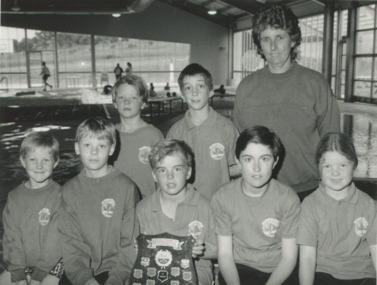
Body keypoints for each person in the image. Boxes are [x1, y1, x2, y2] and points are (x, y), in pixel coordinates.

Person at [232, 4, 340, 197]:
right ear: (259, 44)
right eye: (266, 39)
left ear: (292, 40)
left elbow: (332, 140)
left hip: (308, 191)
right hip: (259, 191)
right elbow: (239, 144)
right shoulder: (246, 88)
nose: (273, 47)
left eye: (279, 37)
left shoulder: (315, 84)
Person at [211, 126, 300, 285]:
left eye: (264, 159)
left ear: (275, 161)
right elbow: (225, 255)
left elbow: (289, 258)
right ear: (237, 161)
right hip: (239, 268)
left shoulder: (288, 199)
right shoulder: (222, 198)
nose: (257, 168)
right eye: (248, 159)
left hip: (278, 270)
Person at [58, 117, 139, 285]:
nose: (94, 152)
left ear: (111, 149)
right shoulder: (69, 191)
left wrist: (116, 279)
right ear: (77, 148)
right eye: (87, 145)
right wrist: (85, 279)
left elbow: (130, 243)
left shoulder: (126, 187)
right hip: (81, 272)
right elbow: (71, 244)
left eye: (101, 146)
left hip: (119, 271)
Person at [297, 132, 377, 285]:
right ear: (318, 168)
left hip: (362, 276)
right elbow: (307, 258)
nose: (335, 172)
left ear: (354, 165)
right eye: (327, 166)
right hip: (324, 274)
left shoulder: (368, 205)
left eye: (342, 165)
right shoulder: (310, 205)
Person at [136, 139, 217, 284]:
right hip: (155, 275)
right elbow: (134, 253)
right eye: (162, 170)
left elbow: (220, 249)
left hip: (196, 275)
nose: (170, 176)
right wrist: (139, 249)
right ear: (154, 175)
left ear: (189, 172)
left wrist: (201, 249)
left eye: (177, 169)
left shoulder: (205, 207)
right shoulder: (143, 209)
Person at [167, 63, 240, 200]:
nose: (194, 92)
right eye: (188, 88)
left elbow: (239, 166)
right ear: (182, 95)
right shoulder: (175, 132)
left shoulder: (227, 128)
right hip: (187, 205)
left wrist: (220, 170)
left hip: (220, 205)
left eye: (200, 86)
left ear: (211, 91)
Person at [0, 132, 63, 285]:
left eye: (46, 160)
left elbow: (55, 243)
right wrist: (18, 275)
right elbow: (11, 239)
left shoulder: (60, 196)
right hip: (21, 264)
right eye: (33, 160)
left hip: (52, 264)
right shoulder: (14, 197)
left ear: (55, 162)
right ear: (23, 161)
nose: (39, 166)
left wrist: (37, 277)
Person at [112, 75, 164, 198]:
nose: (126, 102)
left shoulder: (153, 136)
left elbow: (163, 175)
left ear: (143, 103)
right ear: (114, 103)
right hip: (116, 206)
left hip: (146, 208)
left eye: (133, 98)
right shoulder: (108, 135)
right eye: (121, 97)